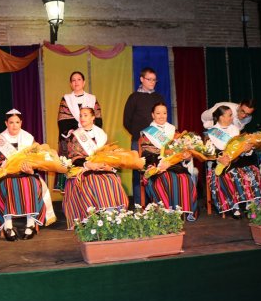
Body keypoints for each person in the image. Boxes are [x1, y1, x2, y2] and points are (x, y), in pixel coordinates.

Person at [63, 107, 129, 229]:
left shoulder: (101, 134)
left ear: (93, 117)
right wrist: (88, 164)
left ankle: (111, 213)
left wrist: (106, 164)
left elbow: (107, 153)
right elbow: (73, 157)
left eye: (85, 115)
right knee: (93, 181)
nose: (82, 118)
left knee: (112, 179)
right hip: (84, 169)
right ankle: (95, 216)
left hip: (101, 167)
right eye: (81, 115)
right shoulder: (75, 135)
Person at [0, 110, 47, 241]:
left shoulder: (28, 139)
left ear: (21, 123)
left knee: (31, 184)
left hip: (26, 174)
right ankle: (8, 226)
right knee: (10, 185)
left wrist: (32, 170)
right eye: (11, 122)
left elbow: (37, 162)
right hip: (6, 176)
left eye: (17, 122)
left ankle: (30, 225)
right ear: (6, 123)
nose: (14, 125)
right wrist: (1, 169)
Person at [140, 102, 197, 221]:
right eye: (158, 113)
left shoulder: (173, 131)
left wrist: (185, 156)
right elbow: (146, 155)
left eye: (164, 113)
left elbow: (179, 151)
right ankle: (168, 212)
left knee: (185, 178)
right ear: (153, 115)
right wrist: (159, 166)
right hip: (156, 165)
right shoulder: (147, 133)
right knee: (166, 178)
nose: (161, 116)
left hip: (174, 164)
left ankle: (186, 211)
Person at [205, 105, 261, 218]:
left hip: (238, 161)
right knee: (231, 174)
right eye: (230, 115)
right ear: (221, 117)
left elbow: (240, 150)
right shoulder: (211, 132)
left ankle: (250, 204)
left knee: (253, 171)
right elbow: (208, 152)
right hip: (222, 163)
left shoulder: (235, 129)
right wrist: (219, 157)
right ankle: (234, 206)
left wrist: (247, 149)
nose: (232, 117)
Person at [123, 67, 165, 205]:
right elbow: (126, 120)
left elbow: (163, 118)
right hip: (138, 141)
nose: (152, 82)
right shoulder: (134, 97)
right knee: (138, 173)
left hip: (157, 141)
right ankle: (138, 204)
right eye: (149, 79)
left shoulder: (158, 97)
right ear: (141, 79)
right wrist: (138, 134)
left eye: (154, 80)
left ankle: (156, 203)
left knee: (156, 170)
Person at [55, 71, 102, 191]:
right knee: (71, 169)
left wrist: (89, 131)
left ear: (84, 82)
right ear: (71, 84)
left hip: (90, 139)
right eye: (73, 80)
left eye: (79, 79)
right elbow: (63, 120)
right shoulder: (66, 99)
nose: (76, 82)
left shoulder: (92, 99)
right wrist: (76, 133)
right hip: (71, 138)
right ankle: (71, 194)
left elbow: (98, 118)